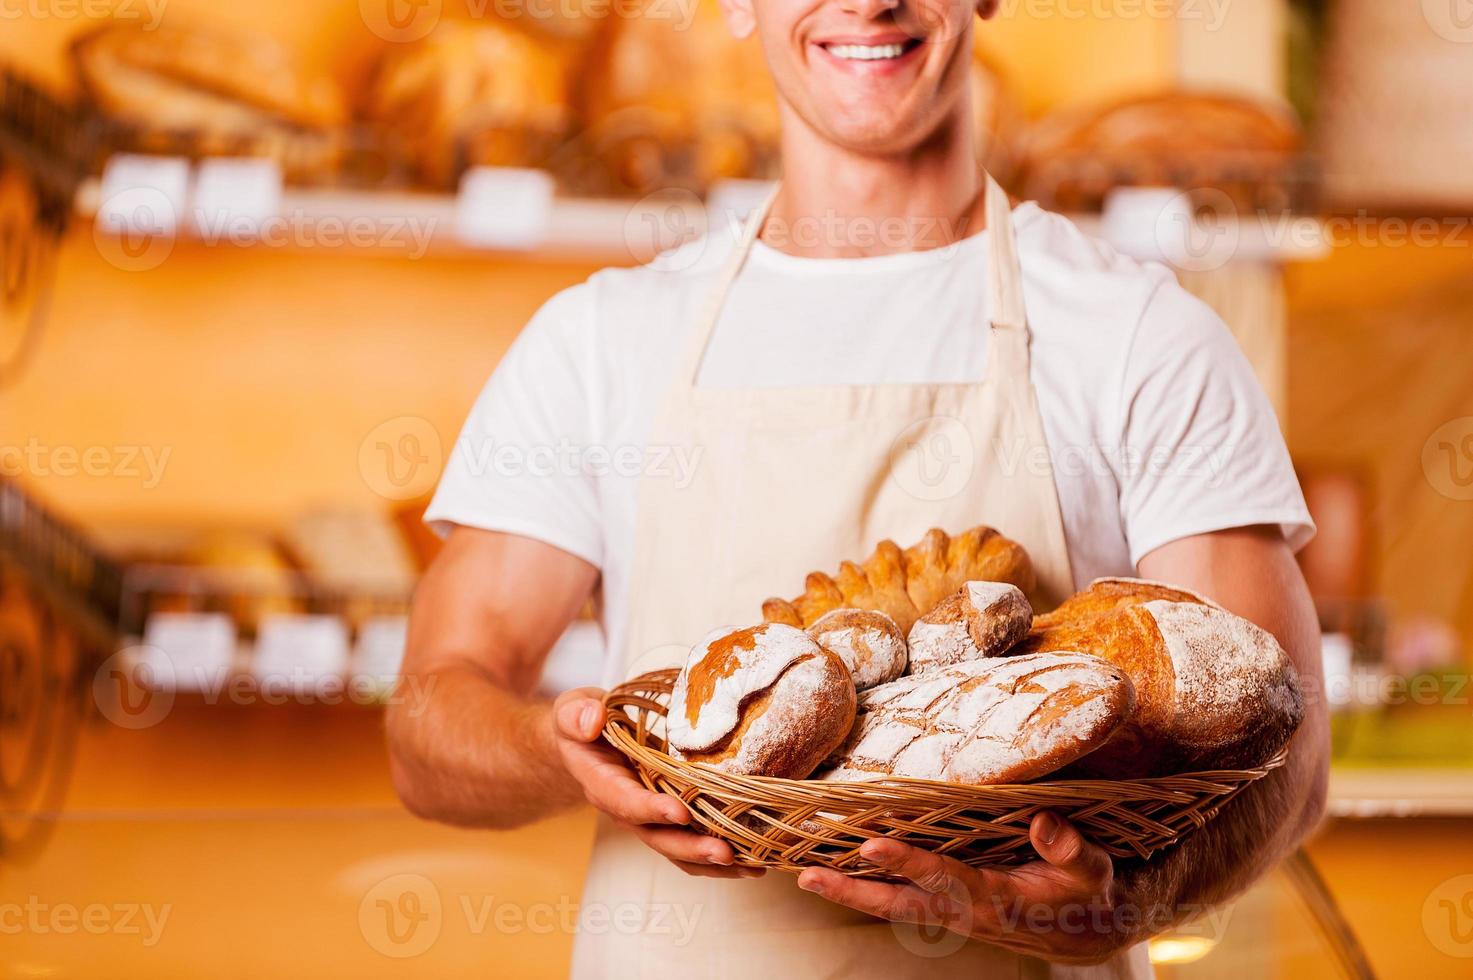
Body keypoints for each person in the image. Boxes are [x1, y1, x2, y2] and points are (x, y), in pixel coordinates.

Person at [386, 0, 1329, 974]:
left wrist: (1120, 906)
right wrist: (558, 746)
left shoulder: (1139, 336)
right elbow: (429, 718)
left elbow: (1286, 754)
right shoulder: (599, 341)